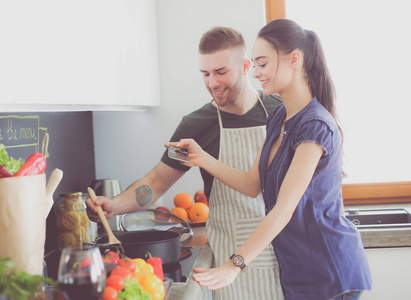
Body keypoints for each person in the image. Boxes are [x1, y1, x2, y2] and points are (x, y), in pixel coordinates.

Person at [169, 19, 372, 300]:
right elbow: (253, 183)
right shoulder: (279, 117)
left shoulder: (315, 126)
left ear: (294, 60)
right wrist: (202, 158)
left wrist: (233, 265)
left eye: (263, 64)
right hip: (298, 268)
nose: (256, 73)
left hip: (329, 269)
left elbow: (282, 210)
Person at [86, 27, 284, 299]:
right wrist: (113, 205)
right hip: (226, 258)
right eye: (205, 74)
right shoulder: (195, 125)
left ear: (246, 66)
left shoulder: (280, 111)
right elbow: (156, 183)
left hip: (281, 252)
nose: (212, 82)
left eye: (221, 72)